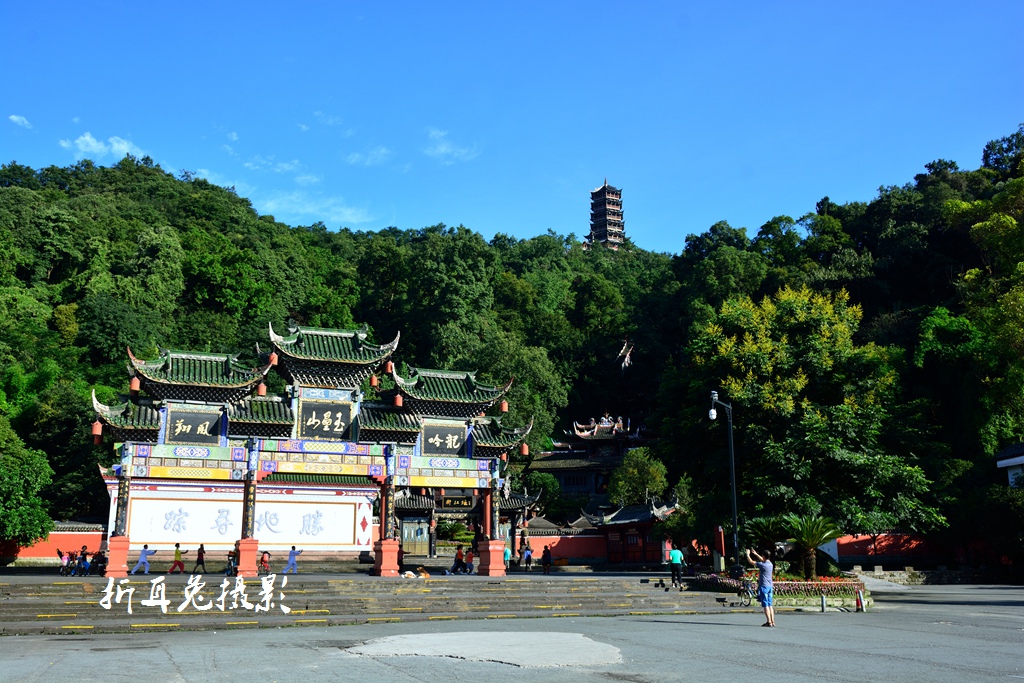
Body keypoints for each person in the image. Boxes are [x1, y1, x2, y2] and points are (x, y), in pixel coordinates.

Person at [746, 547, 776, 627]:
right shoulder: (770, 564)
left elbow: (751, 562)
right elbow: (763, 559)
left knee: (765, 605)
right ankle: (772, 621)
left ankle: (768, 622)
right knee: (770, 605)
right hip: (770, 586)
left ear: (763, 556)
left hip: (764, 586)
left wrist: (748, 554)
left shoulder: (762, 565)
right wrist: (756, 554)